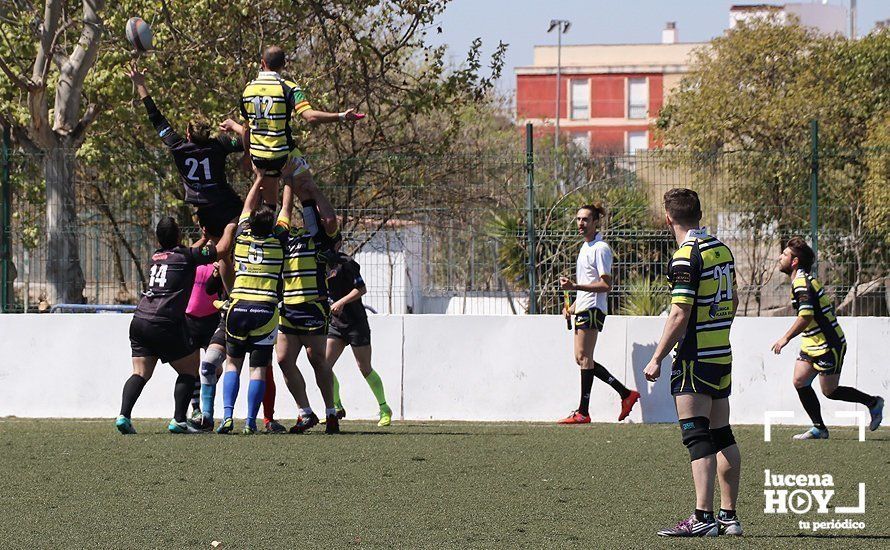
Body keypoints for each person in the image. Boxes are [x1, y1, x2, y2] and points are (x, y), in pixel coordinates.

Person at [643, 188, 742, 537]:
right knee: (722, 434)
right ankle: (729, 517)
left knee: (696, 436)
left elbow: (680, 312)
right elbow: (733, 299)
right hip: (721, 354)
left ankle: (702, 517)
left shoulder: (686, 257)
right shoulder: (721, 250)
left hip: (695, 358)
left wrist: (656, 357)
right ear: (699, 214)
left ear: (668, 217)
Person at [129, 65, 243, 286]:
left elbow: (157, 119)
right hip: (228, 206)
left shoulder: (178, 147)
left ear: (188, 133)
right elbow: (248, 140)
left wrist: (141, 85)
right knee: (240, 245)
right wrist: (238, 127)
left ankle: (232, 298)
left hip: (206, 212)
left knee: (225, 256)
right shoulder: (220, 144)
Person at [116, 218, 224, 434]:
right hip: (164, 321)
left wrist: (203, 239)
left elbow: (187, 254)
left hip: (140, 320)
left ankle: (123, 416)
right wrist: (225, 229)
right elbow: (221, 250)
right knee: (189, 370)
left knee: (140, 372)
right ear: (178, 236)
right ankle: (179, 421)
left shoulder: (156, 257)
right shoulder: (185, 256)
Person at [771, 236, 883, 439]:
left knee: (829, 391)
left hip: (829, 344)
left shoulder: (802, 283)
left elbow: (806, 315)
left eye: (785, 255)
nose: (780, 257)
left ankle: (873, 402)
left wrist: (785, 338)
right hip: (812, 342)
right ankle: (819, 428)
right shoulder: (799, 280)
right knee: (799, 381)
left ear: (794, 261)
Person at [239, 45, 364, 207]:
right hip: (282, 155)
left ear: (262, 63)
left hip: (259, 156)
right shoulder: (289, 88)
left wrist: (248, 154)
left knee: (269, 204)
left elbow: (245, 128)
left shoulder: (248, 89)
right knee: (309, 191)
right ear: (284, 65)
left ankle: (264, 229)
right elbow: (310, 117)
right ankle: (314, 227)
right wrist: (341, 116)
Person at [216, 177, 292, 435]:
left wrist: (259, 179)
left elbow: (246, 208)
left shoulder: (242, 238)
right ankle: (250, 421)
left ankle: (226, 417)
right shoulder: (279, 241)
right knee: (258, 368)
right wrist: (289, 183)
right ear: (271, 226)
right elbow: (286, 211)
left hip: (237, 308)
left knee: (232, 364)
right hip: (265, 310)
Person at [558, 204, 640, 424]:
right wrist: (572, 306)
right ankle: (625, 394)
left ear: (596, 222)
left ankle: (583, 412)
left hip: (594, 309)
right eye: (578, 219)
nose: (580, 224)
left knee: (585, 359)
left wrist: (575, 287)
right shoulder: (586, 247)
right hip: (584, 307)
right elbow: (586, 284)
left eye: (585, 219)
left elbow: (605, 285)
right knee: (581, 359)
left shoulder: (600, 248)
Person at [274, 193, 341, 434]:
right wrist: (289, 187)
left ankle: (331, 413)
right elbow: (282, 211)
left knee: (317, 361)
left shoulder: (322, 241)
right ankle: (305, 412)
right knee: (283, 360)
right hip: (288, 309)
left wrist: (309, 189)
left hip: (313, 306)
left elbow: (331, 220)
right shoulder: (285, 238)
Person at [326, 246, 392, 427]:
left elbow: (361, 289)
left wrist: (341, 302)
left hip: (356, 323)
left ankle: (385, 408)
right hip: (336, 324)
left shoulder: (346, 263)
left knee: (364, 368)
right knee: (324, 366)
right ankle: (336, 406)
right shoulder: (317, 263)